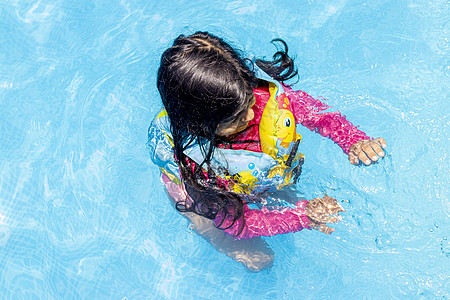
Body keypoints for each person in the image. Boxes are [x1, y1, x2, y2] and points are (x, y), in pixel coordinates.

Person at [148, 31, 387, 272]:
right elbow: (235, 223)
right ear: (201, 125)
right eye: (237, 118)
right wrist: (302, 217)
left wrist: (354, 140)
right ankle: (219, 240)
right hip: (203, 191)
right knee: (212, 223)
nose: (252, 114)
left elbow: (316, 113)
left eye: (249, 101)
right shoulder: (198, 168)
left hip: (257, 177)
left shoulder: (252, 93)